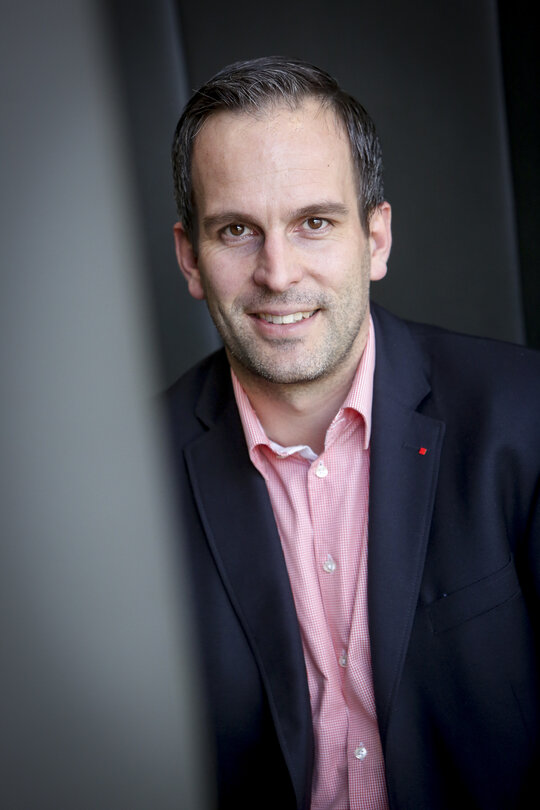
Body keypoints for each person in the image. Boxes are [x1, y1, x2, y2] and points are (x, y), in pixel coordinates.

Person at [165, 56, 540, 809]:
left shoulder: (525, 417)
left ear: (376, 239)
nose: (277, 272)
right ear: (191, 259)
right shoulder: (128, 477)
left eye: (314, 223)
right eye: (237, 230)